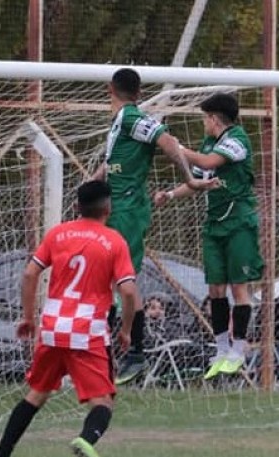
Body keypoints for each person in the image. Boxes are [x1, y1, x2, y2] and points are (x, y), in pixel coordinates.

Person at [0, 180, 138, 457]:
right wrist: (127, 330)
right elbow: (129, 292)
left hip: (51, 327)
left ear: (76, 207)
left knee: (36, 395)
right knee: (103, 402)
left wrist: (27, 317)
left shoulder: (57, 234)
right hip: (87, 331)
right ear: (108, 208)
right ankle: (85, 440)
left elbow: (28, 274)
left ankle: (1, 454)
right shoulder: (114, 241)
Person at [91, 67, 216, 385]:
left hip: (128, 211)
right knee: (109, 282)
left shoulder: (133, 118)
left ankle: (133, 356)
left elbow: (168, 142)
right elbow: (114, 160)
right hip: (116, 209)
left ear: (109, 89)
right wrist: (94, 181)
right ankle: (110, 357)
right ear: (138, 91)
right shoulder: (122, 123)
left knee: (124, 282)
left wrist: (189, 179)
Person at [153, 93, 263, 380]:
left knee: (239, 289)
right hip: (215, 225)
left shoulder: (237, 139)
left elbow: (208, 161)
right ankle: (221, 347)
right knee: (215, 289)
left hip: (239, 223)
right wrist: (171, 194)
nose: (204, 123)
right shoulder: (208, 144)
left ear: (214, 119)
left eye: (205, 118)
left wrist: (175, 146)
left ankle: (239, 348)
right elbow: (198, 181)